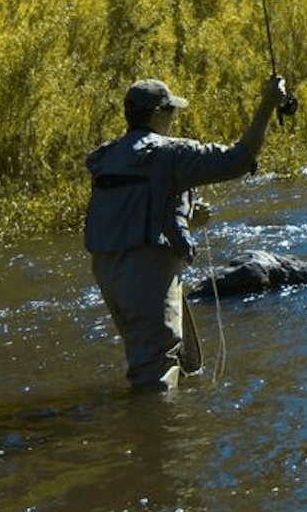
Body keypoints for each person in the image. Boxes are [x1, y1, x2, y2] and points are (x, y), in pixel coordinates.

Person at [84, 74, 290, 390]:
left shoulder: (107, 155)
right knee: (156, 370)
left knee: (161, 358)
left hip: (108, 269)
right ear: (157, 114)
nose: (173, 119)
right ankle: (157, 434)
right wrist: (268, 103)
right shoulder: (169, 153)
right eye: (170, 112)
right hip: (148, 267)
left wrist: (186, 219)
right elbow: (240, 159)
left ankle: (154, 421)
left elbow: (131, 208)